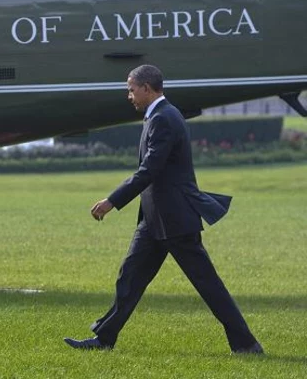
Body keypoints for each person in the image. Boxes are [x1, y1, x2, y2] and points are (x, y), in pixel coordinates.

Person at [64, 64, 263, 354]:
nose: (129, 95)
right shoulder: (159, 116)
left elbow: (149, 171)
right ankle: (104, 338)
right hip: (155, 221)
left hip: (175, 220)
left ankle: (246, 344)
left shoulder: (164, 118)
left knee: (209, 286)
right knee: (129, 277)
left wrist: (112, 201)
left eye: (131, 89)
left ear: (147, 88)